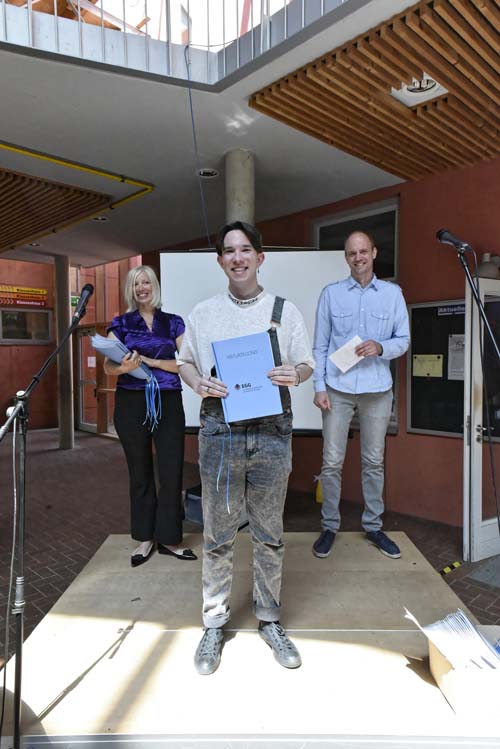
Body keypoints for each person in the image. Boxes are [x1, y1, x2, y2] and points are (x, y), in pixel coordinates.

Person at [178, 221, 314, 675]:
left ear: (260, 257)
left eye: (245, 250)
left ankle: (269, 619)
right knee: (217, 534)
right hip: (221, 433)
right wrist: (198, 382)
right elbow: (185, 362)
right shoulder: (204, 313)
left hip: (272, 432)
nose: (237, 258)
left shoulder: (284, 311)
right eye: (229, 251)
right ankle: (214, 623)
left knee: (269, 532)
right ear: (221, 261)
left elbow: (306, 363)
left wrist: (296, 374)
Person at [312, 231, 409, 560]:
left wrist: (380, 347)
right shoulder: (331, 294)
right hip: (337, 390)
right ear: (346, 257)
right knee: (331, 462)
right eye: (352, 253)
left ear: (374, 253)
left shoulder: (393, 295)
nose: (358, 258)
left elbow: (403, 340)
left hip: (377, 390)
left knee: (373, 462)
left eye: (363, 251)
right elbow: (319, 345)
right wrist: (319, 387)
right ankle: (329, 526)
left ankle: (374, 526)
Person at [104, 265, 196, 567]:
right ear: (130, 290)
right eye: (135, 284)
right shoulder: (121, 323)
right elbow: (108, 367)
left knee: (171, 471)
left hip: (168, 399)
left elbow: (185, 363)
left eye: (146, 282)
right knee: (139, 471)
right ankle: (145, 538)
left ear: (154, 286)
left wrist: (149, 361)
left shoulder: (173, 322)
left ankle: (169, 538)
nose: (141, 288)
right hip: (131, 402)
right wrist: (123, 368)